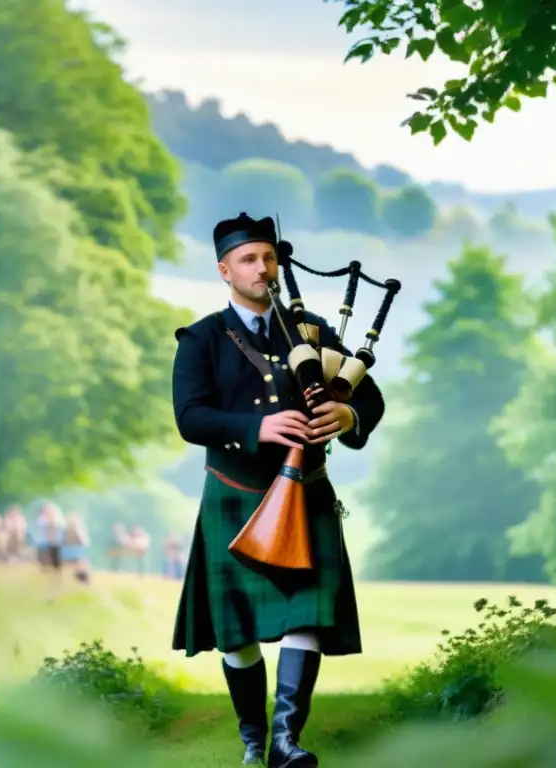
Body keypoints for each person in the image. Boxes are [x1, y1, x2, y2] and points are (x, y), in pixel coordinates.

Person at [170, 212, 385, 767]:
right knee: (236, 632)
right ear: (225, 270)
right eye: (248, 259)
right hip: (236, 493)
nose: (262, 268)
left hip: (306, 491)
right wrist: (254, 428)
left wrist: (346, 416)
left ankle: (286, 743)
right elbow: (190, 418)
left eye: (269, 257)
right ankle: (253, 741)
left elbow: (370, 398)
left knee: (305, 614)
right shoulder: (202, 340)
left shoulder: (313, 330)